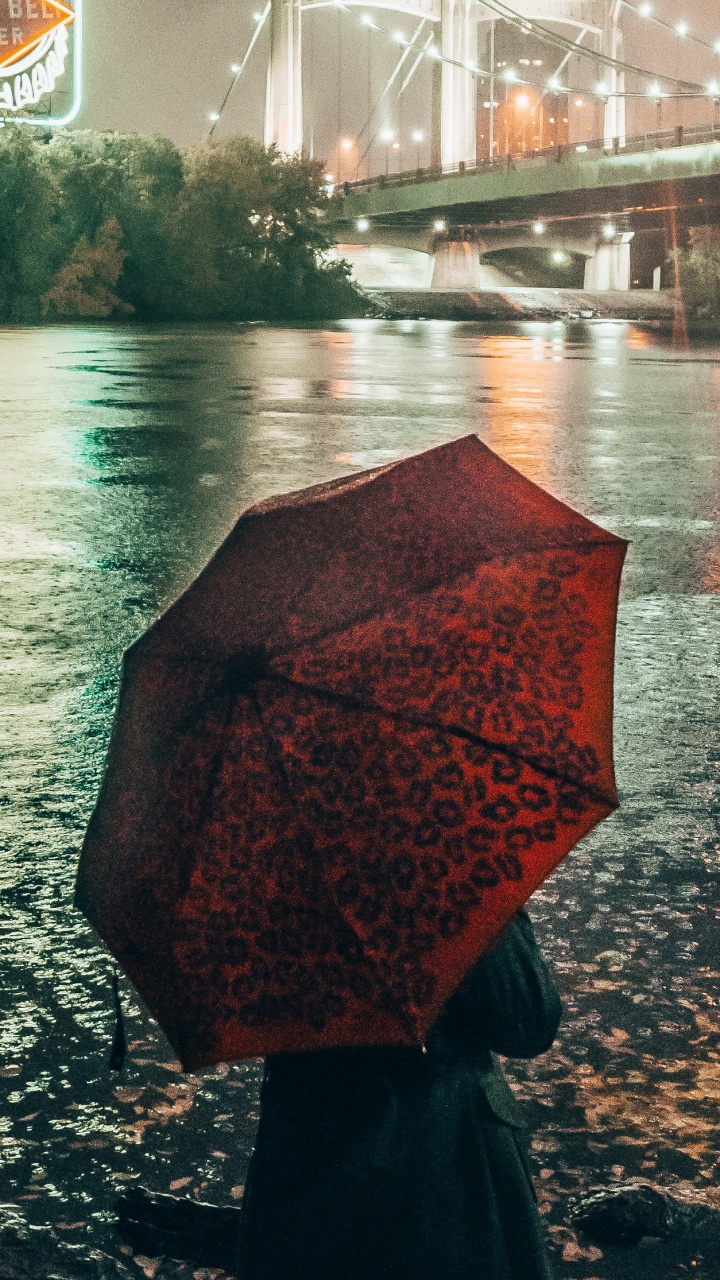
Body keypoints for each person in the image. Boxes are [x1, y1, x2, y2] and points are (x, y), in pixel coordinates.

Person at [237, 908, 561, 1280]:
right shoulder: (443, 867)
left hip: (302, 1157)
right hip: (445, 1158)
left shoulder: (259, 883)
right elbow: (525, 1019)